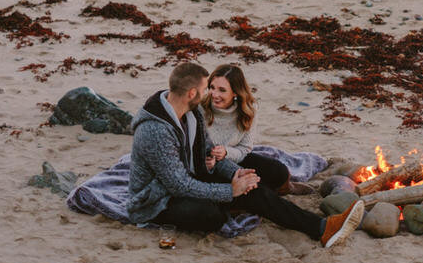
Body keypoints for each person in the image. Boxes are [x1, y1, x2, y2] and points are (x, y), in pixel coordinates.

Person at [127, 61, 363, 246]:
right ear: (191, 93)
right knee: (212, 217)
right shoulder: (155, 131)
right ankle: (232, 202)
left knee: (254, 189)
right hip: (158, 200)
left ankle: (322, 228)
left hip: (191, 180)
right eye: (204, 89)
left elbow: (209, 154)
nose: (208, 95)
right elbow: (178, 185)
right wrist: (229, 191)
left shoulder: (192, 113)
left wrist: (238, 175)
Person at [203, 63, 305, 195]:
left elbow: (245, 148)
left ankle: (286, 188)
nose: (214, 94)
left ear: (235, 92)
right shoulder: (200, 108)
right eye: (212, 87)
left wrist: (226, 152)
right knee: (254, 188)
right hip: (211, 166)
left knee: (278, 170)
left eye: (222, 90)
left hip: (234, 156)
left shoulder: (249, 110)